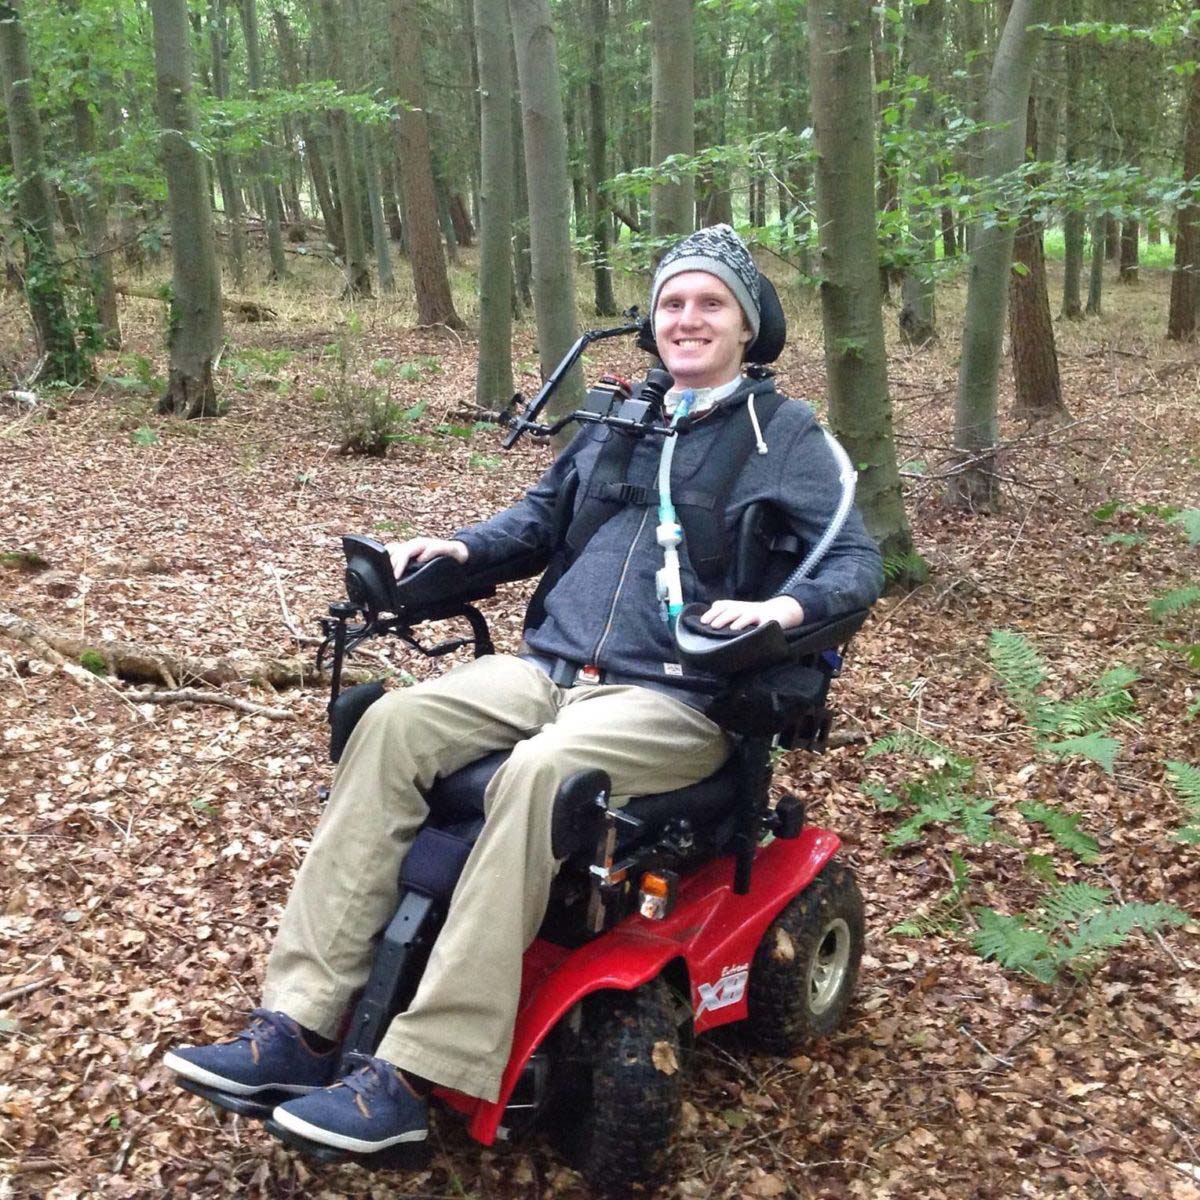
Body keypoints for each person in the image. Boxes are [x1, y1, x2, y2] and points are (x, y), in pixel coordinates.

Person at [164, 224, 883, 1156]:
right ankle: (295, 1024)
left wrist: (783, 612)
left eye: (711, 303)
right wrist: (458, 548)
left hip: (677, 695)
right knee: (391, 722)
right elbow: (539, 520)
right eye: (672, 302)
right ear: (651, 322)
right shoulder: (625, 418)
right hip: (547, 669)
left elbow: (854, 563)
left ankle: (421, 1069)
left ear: (749, 326)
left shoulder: (784, 437)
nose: (688, 318)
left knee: (542, 771)